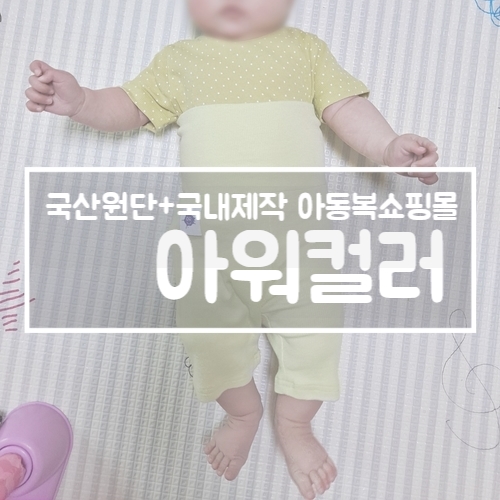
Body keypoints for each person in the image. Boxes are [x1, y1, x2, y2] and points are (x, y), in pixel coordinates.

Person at [25, 1, 438, 498]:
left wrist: (388, 145)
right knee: (206, 338)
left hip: (299, 246)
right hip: (210, 247)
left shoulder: (304, 51)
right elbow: (131, 106)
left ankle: (295, 423)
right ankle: (243, 412)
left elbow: (346, 108)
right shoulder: (181, 61)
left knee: (318, 337)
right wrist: (83, 101)